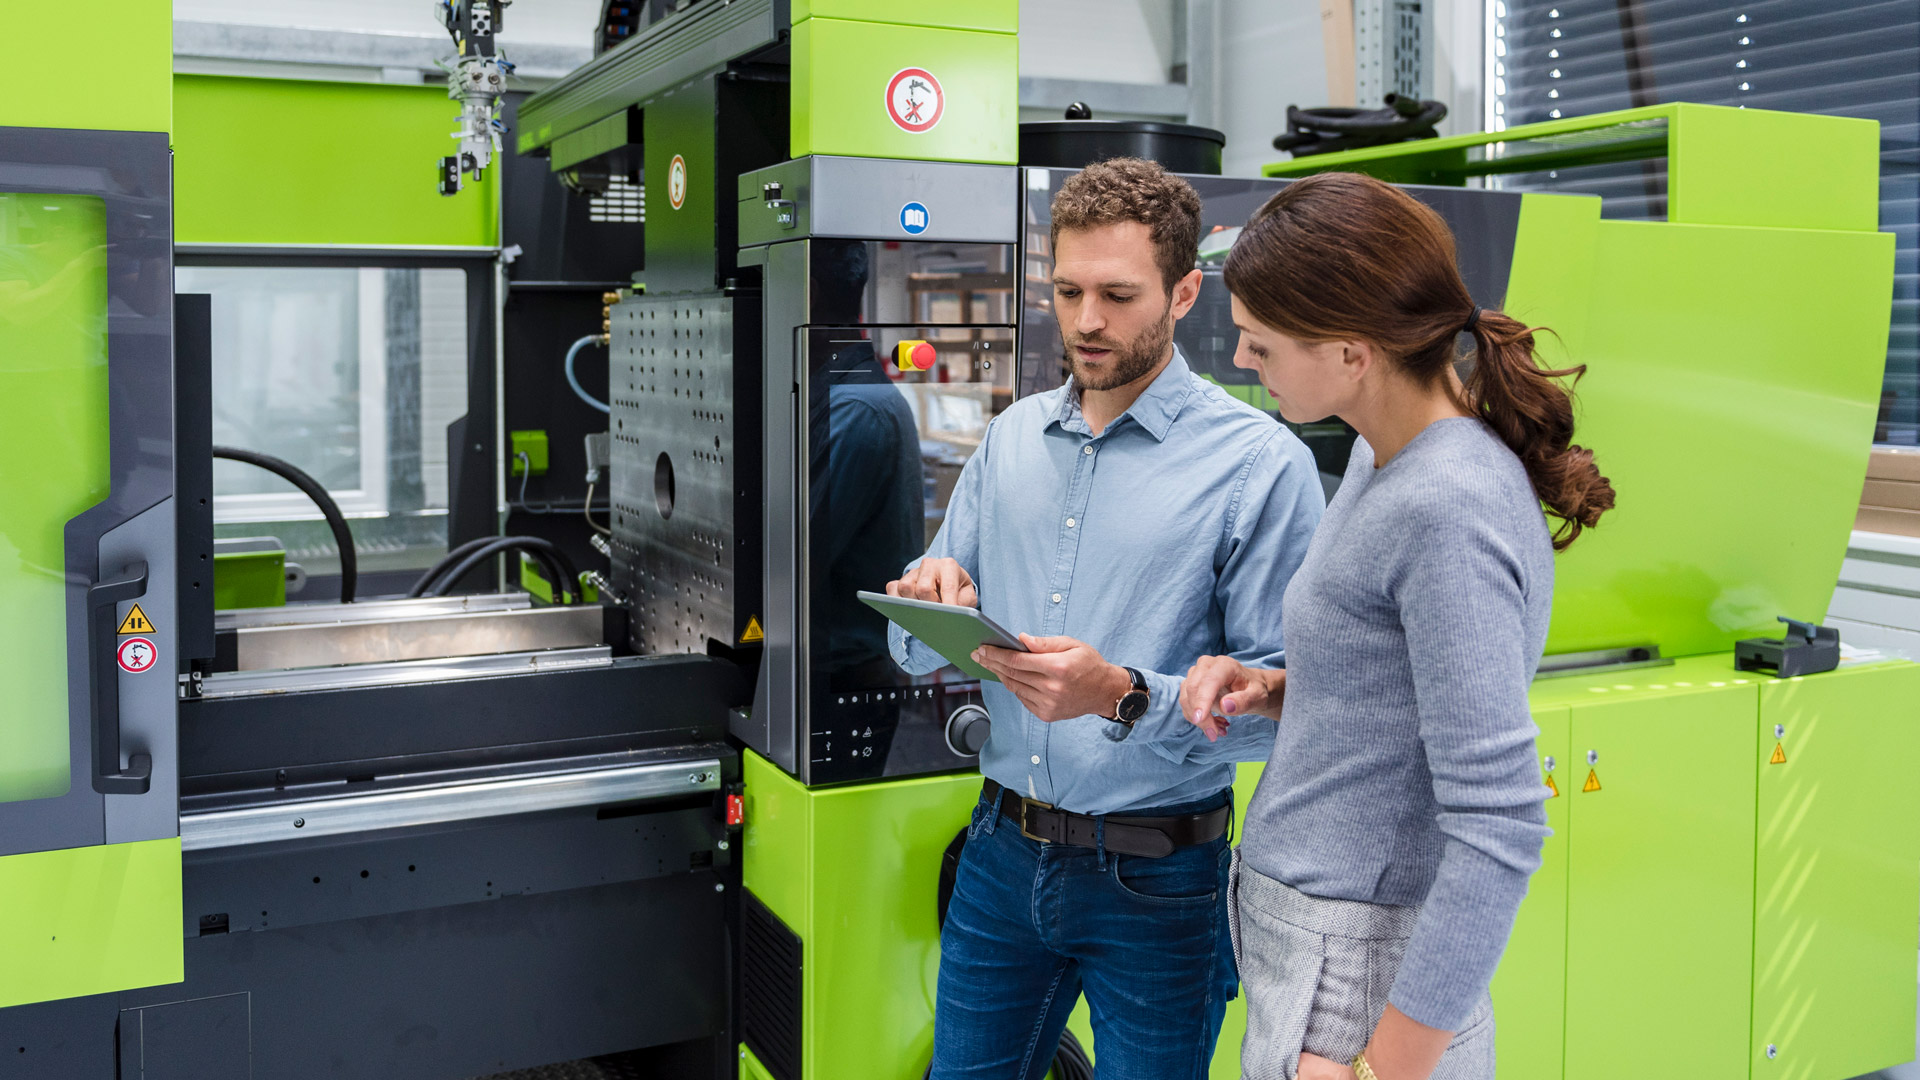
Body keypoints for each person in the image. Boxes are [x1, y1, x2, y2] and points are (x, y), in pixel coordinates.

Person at [883, 158, 1325, 1080]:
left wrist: (1119, 696)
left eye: (1119, 295)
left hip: (1161, 882)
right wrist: (927, 599)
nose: (1087, 322)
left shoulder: (1256, 465)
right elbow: (917, 644)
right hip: (1001, 856)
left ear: (1186, 290)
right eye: (1068, 290)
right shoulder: (1010, 440)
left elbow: (1292, 713)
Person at [1182, 171, 1616, 1080]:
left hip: (1359, 991)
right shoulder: (1391, 461)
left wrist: (1386, 1066)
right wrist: (1280, 690)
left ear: (1351, 352)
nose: (1243, 362)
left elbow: (1501, 825)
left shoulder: (1445, 504)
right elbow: (1401, 693)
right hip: (1321, 961)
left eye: (1260, 345)